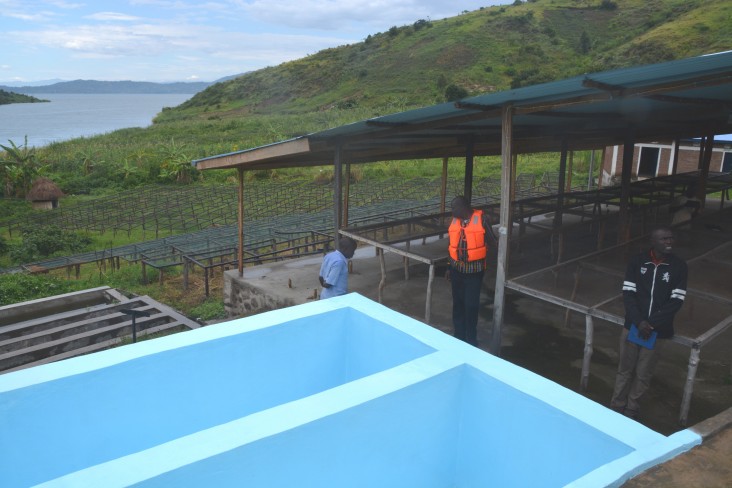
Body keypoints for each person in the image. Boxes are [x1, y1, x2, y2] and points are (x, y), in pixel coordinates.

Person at [610, 226, 688, 420]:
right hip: (633, 327)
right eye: (664, 239)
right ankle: (616, 404)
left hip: (657, 331)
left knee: (644, 373)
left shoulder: (679, 266)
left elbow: (676, 300)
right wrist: (639, 322)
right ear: (653, 241)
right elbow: (628, 294)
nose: (669, 242)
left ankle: (632, 408)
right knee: (625, 369)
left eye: (670, 238)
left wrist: (650, 324)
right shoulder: (637, 262)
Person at [447, 196, 495, 346]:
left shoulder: (482, 220)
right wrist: (449, 267)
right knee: (458, 304)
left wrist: (494, 268)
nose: (452, 210)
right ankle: (458, 336)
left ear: (463, 207)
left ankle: (471, 340)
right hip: (456, 271)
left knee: (471, 306)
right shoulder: (455, 221)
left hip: (474, 273)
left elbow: (493, 242)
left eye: (454, 207)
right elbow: (451, 246)